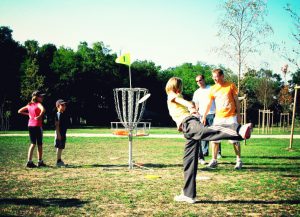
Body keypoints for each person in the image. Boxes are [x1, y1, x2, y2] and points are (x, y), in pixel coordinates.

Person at [165, 77, 252, 203]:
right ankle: (189, 194)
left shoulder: (172, 95)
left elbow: (188, 103)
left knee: (206, 132)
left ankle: (238, 129)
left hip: (189, 123)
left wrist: (191, 107)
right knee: (188, 161)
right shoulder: (176, 95)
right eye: (179, 86)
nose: (180, 89)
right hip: (187, 127)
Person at [202, 68, 244, 170]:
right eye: (213, 77)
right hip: (218, 118)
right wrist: (204, 115)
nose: (215, 79)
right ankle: (214, 160)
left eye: (216, 77)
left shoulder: (231, 85)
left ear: (222, 76)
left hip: (231, 117)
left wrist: (239, 114)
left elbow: (236, 101)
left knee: (234, 140)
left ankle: (238, 161)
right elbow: (209, 103)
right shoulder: (213, 88)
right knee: (215, 140)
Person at [192, 74, 222, 165]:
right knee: (203, 135)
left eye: (200, 80)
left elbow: (218, 100)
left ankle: (218, 153)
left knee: (215, 134)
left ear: (204, 79)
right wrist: (196, 113)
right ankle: (205, 151)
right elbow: (196, 105)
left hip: (213, 114)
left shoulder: (211, 88)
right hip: (202, 115)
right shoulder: (197, 92)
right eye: (197, 81)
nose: (199, 82)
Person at [18, 90, 46, 168]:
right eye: (41, 96)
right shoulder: (38, 104)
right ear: (37, 97)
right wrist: (39, 116)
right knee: (39, 144)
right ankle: (40, 161)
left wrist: (29, 114)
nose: (42, 98)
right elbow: (43, 110)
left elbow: (19, 111)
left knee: (33, 144)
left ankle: (29, 162)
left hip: (30, 125)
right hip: (37, 125)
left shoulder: (29, 105)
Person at [55, 99, 69, 167]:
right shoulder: (58, 114)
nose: (64, 106)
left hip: (63, 133)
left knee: (61, 147)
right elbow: (57, 125)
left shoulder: (62, 114)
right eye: (62, 105)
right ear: (58, 106)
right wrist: (58, 134)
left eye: (65, 105)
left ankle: (59, 160)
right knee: (59, 146)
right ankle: (58, 161)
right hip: (59, 133)